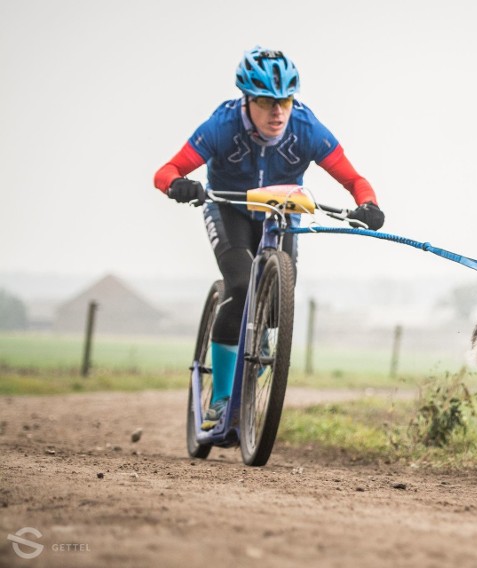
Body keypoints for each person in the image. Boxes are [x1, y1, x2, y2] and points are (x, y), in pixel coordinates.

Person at [154, 47, 384, 430]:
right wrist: (179, 185)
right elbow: (166, 171)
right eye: (266, 102)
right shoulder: (221, 127)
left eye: (285, 101)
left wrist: (368, 205)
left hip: (280, 214)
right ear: (247, 100)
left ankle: (258, 341)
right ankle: (221, 398)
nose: (278, 112)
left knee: (279, 305)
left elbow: (356, 181)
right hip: (229, 209)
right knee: (241, 285)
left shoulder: (307, 129)